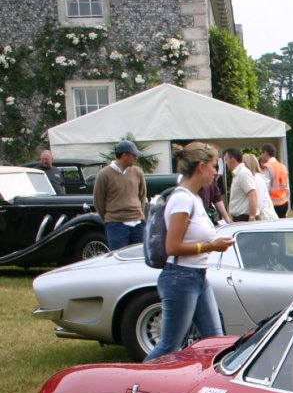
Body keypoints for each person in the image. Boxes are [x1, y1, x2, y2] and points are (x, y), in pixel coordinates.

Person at [143, 142, 235, 362]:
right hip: (180, 278)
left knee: (216, 342)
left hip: (197, 277)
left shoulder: (194, 198)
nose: (216, 173)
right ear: (201, 167)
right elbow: (172, 247)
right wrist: (212, 246)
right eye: (214, 166)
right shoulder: (182, 199)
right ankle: (135, 385)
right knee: (169, 346)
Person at [92, 140, 147, 250]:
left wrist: (139, 213)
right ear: (124, 155)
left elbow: (142, 195)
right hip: (116, 224)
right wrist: (110, 218)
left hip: (137, 223)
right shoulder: (104, 174)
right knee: (118, 258)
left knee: (138, 258)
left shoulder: (137, 172)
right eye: (133, 155)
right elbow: (98, 200)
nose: (136, 158)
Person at [223, 147, 257, 222]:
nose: (225, 163)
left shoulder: (243, 173)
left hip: (244, 218)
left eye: (226, 160)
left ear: (232, 160)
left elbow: (252, 194)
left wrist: (251, 217)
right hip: (239, 218)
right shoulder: (238, 174)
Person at [243, 153, 278, 221]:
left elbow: (258, 203)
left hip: (265, 218)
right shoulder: (256, 178)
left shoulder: (256, 179)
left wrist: (252, 217)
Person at [260, 143, 289, 218]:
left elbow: (265, 187)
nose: (261, 156)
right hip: (284, 202)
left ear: (265, 153)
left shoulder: (268, 167)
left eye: (261, 153)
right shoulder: (282, 166)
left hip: (273, 203)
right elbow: (287, 187)